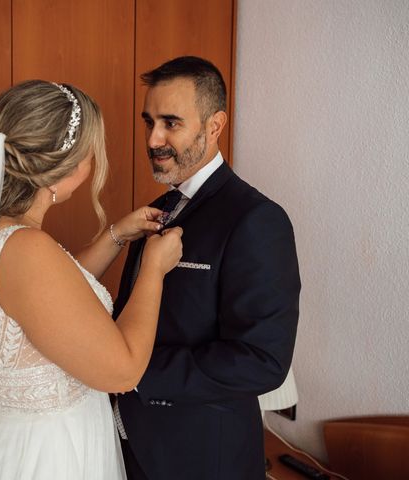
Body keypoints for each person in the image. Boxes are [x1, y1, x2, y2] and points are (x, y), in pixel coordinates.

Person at [0, 79, 183, 480]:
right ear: (65, 167)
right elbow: (124, 369)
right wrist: (153, 268)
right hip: (45, 457)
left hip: (13, 440)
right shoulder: (27, 249)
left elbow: (51, 305)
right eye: (89, 150)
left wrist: (116, 235)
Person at [113, 56, 301, 479]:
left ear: (214, 126)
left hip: (202, 457)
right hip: (130, 447)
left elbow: (261, 359)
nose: (153, 138)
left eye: (171, 123)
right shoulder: (158, 210)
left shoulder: (256, 220)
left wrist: (131, 371)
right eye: (149, 122)